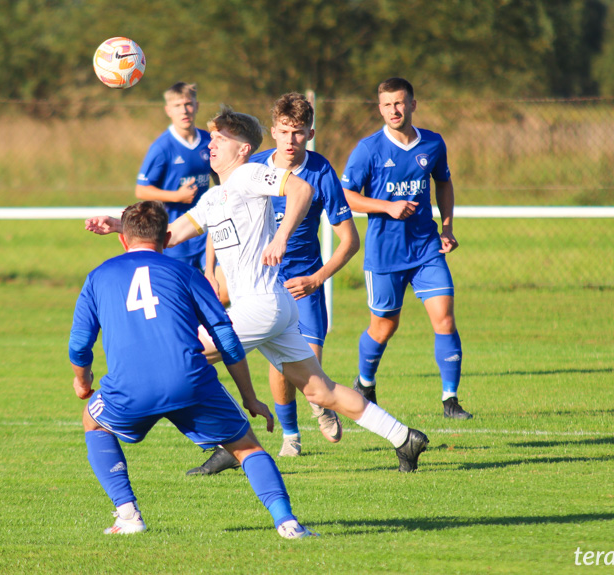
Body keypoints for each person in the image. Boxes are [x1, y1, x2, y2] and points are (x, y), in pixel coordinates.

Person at [86, 106, 430, 473]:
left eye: (221, 139)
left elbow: (301, 187)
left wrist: (281, 236)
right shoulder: (213, 198)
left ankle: (229, 442)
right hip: (272, 308)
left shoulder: (250, 174)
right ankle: (404, 438)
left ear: (244, 149)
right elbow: (167, 237)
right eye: (212, 138)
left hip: (261, 306)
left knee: (183, 358)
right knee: (320, 391)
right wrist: (118, 224)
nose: (211, 145)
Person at [69, 200, 316, 539]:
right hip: (190, 381)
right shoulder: (186, 273)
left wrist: (83, 382)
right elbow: (226, 336)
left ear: (123, 240)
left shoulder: (98, 277)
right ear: (168, 237)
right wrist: (249, 398)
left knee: (93, 421)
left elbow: (79, 345)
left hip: (129, 387)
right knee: (247, 449)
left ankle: (128, 516)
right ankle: (287, 523)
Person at [199, 93, 360, 465]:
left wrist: (317, 279)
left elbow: (349, 241)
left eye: (299, 133)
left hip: (302, 282)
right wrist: (209, 269)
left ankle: (320, 405)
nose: (290, 140)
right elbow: (218, 215)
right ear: (272, 131)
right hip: (261, 283)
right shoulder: (250, 166)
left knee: (311, 370)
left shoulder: (320, 172)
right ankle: (290, 436)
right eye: (284, 131)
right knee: (279, 370)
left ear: (310, 133)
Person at [340, 77, 472, 419]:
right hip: (384, 254)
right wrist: (387, 206)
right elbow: (347, 195)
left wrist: (447, 228)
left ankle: (450, 400)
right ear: (379, 108)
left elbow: (443, 181)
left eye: (399, 103)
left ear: (413, 104)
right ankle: (365, 383)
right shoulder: (368, 149)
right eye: (387, 104)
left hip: (426, 249)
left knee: (444, 318)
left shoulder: (432, 143)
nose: (394, 110)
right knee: (384, 326)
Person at [135, 82, 213, 270]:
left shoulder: (209, 141)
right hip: (175, 235)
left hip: (207, 233)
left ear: (197, 106)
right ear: (168, 110)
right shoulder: (162, 147)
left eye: (188, 104)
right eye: (177, 106)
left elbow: (221, 177)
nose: (184, 111)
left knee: (221, 290)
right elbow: (141, 190)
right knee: (183, 295)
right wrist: (177, 196)